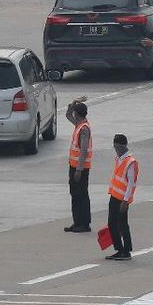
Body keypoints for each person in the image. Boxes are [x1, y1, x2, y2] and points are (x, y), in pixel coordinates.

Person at [106, 134, 139, 260]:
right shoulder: (118, 159)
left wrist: (125, 201)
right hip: (114, 196)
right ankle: (120, 249)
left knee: (122, 225)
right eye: (115, 146)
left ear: (124, 146)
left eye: (118, 146)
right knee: (112, 224)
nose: (116, 148)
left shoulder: (130, 162)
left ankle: (126, 250)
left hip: (122, 199)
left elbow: (131, 183)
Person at [64, 97, 92, 233]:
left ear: (77, 114)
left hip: (80, 168)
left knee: (81, 195)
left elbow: (84, 150)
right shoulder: (79, 124)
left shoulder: (84, 129)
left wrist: (79, 169)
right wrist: (73, 103)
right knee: (75, 194)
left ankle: (84, 223)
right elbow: (67, 114)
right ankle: (77, 222)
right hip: (74, 166)